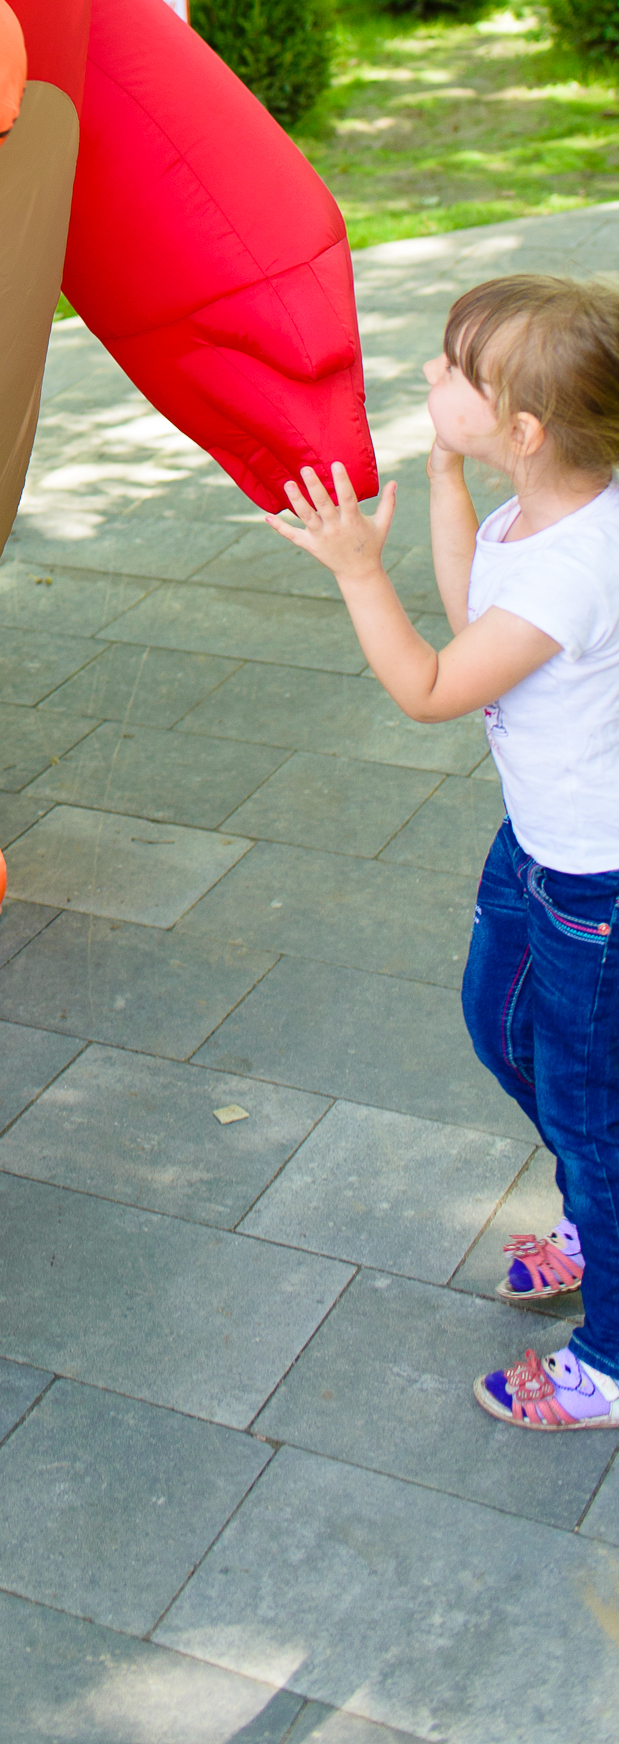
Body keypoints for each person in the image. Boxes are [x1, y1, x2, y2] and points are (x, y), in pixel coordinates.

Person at [268, 278, 619, 1435]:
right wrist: (443, 476)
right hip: (538, 849)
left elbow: (430, 685)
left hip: (594, 885)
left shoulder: (576, 566)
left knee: (588, 1109)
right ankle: (595, 1203)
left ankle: (607, 1360)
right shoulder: (542, 506)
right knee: (498, 1027)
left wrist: (355, 571)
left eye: (455, 371)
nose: (429, 375)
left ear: (522, 429)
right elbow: (475, 614)